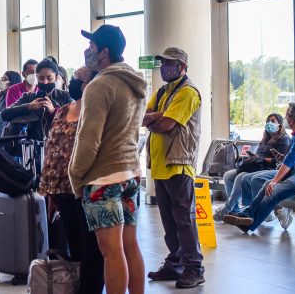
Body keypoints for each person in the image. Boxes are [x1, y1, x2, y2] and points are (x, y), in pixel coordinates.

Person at [69, 25, 147, 294]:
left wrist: (75, 175)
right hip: (130, 174)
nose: (87, 51)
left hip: (103, 178)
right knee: (130, 245)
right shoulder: (135, 83)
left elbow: (88, 140)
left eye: (92, 46)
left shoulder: (99, 86)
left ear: (104, 52)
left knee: (111, 252)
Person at [143, 47, 205, 289]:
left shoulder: (188, 92)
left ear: (182, 67)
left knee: (184, 221)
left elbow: (166, 124)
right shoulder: (162, 91)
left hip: (179, 165)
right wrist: (157, 116)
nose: (165, 68)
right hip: (160, 165)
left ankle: (194, 268)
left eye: (170, 63)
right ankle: (175, 264)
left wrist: (157, 118)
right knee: (169, 223)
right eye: (163, 63)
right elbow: (143, 116)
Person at [39, 66, 103, 294]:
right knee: (74, 245)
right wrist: (49, 191)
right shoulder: (63, 110)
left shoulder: (95, 112)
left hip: (84, 188)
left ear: (91, 84)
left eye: (79, 78)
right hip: (60, 188)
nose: (74, 82)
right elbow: (51, 148)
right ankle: (75, 286)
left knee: (91, 248)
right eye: (73, 77)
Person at [224, 102, 295, 234]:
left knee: (273, 189)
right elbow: (292, 159)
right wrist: (275, 177)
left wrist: (275, 181)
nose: (285, 118)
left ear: (292, 118)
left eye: (287, 115)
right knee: (267, 184)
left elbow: (290, 160)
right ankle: (247, 214)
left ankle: (249, 223)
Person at [213, 113, 291, 221]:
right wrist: (255, 157)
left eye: (273, 121)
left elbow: (279, 161)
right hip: (257, 166)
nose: (270, 123)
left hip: (268, 169)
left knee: (241, 177)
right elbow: (259, 154)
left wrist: (262, 159)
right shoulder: (265, 139)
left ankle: (228, 207)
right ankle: (234, 209)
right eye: (268, 121)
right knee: (228, 176)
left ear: (280, 124)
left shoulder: (284, 139)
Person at [1, 58, 71, 142]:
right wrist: (28, 106)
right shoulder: (28, 97)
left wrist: (53, 111)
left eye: (49, 78)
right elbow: (4, 114)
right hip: (31, 145)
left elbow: (73, 121)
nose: (45, 82)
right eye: (41, 78)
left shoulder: (65, 96)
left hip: (57, 144)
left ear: (56, 77)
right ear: (36, 77)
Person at [0, 71, 22, 136]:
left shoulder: (15, 97)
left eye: (4, 79)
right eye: (2, 78)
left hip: (7, 131)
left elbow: (10, 114)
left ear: (13, 82)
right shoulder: (2, 95)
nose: (2, 81)